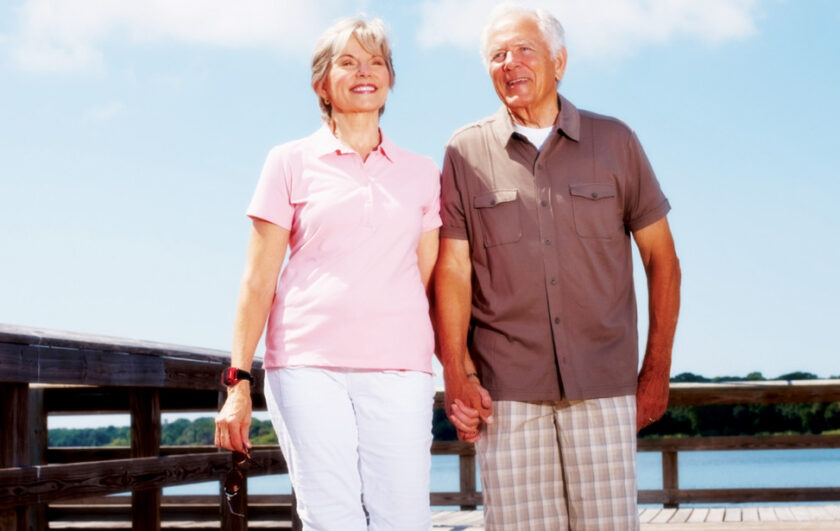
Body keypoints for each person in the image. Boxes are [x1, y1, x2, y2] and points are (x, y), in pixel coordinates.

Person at [435, 4, 681, 530]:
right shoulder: (463, 152)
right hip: (504, 394)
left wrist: (656, 370)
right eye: (497, 55)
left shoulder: (616, 142)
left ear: (559, 62)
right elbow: (452, 273)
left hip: (605, 385)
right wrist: (457, 373)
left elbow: (662, 260)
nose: (510, 63)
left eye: (524, 49)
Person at [214, 17, 441, 531]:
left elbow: (425, 278)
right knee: (332, 518)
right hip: (306, 364)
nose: (365, 72)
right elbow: (257, 280)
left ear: (390, 78)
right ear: (322, 83)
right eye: (348, 62)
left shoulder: (423, 172)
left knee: (405, 518)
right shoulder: (288, 161)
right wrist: (239, 383)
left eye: (376, 62)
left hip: (401, 367)